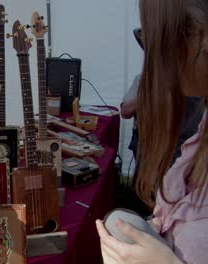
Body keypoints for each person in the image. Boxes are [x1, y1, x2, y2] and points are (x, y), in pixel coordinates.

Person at [97, 0, 207, 263]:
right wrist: (163, 226)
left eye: (157, 41)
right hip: (148, 147)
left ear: (199, 37)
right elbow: (125, 109)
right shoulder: (145, 81)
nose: (156, 58)